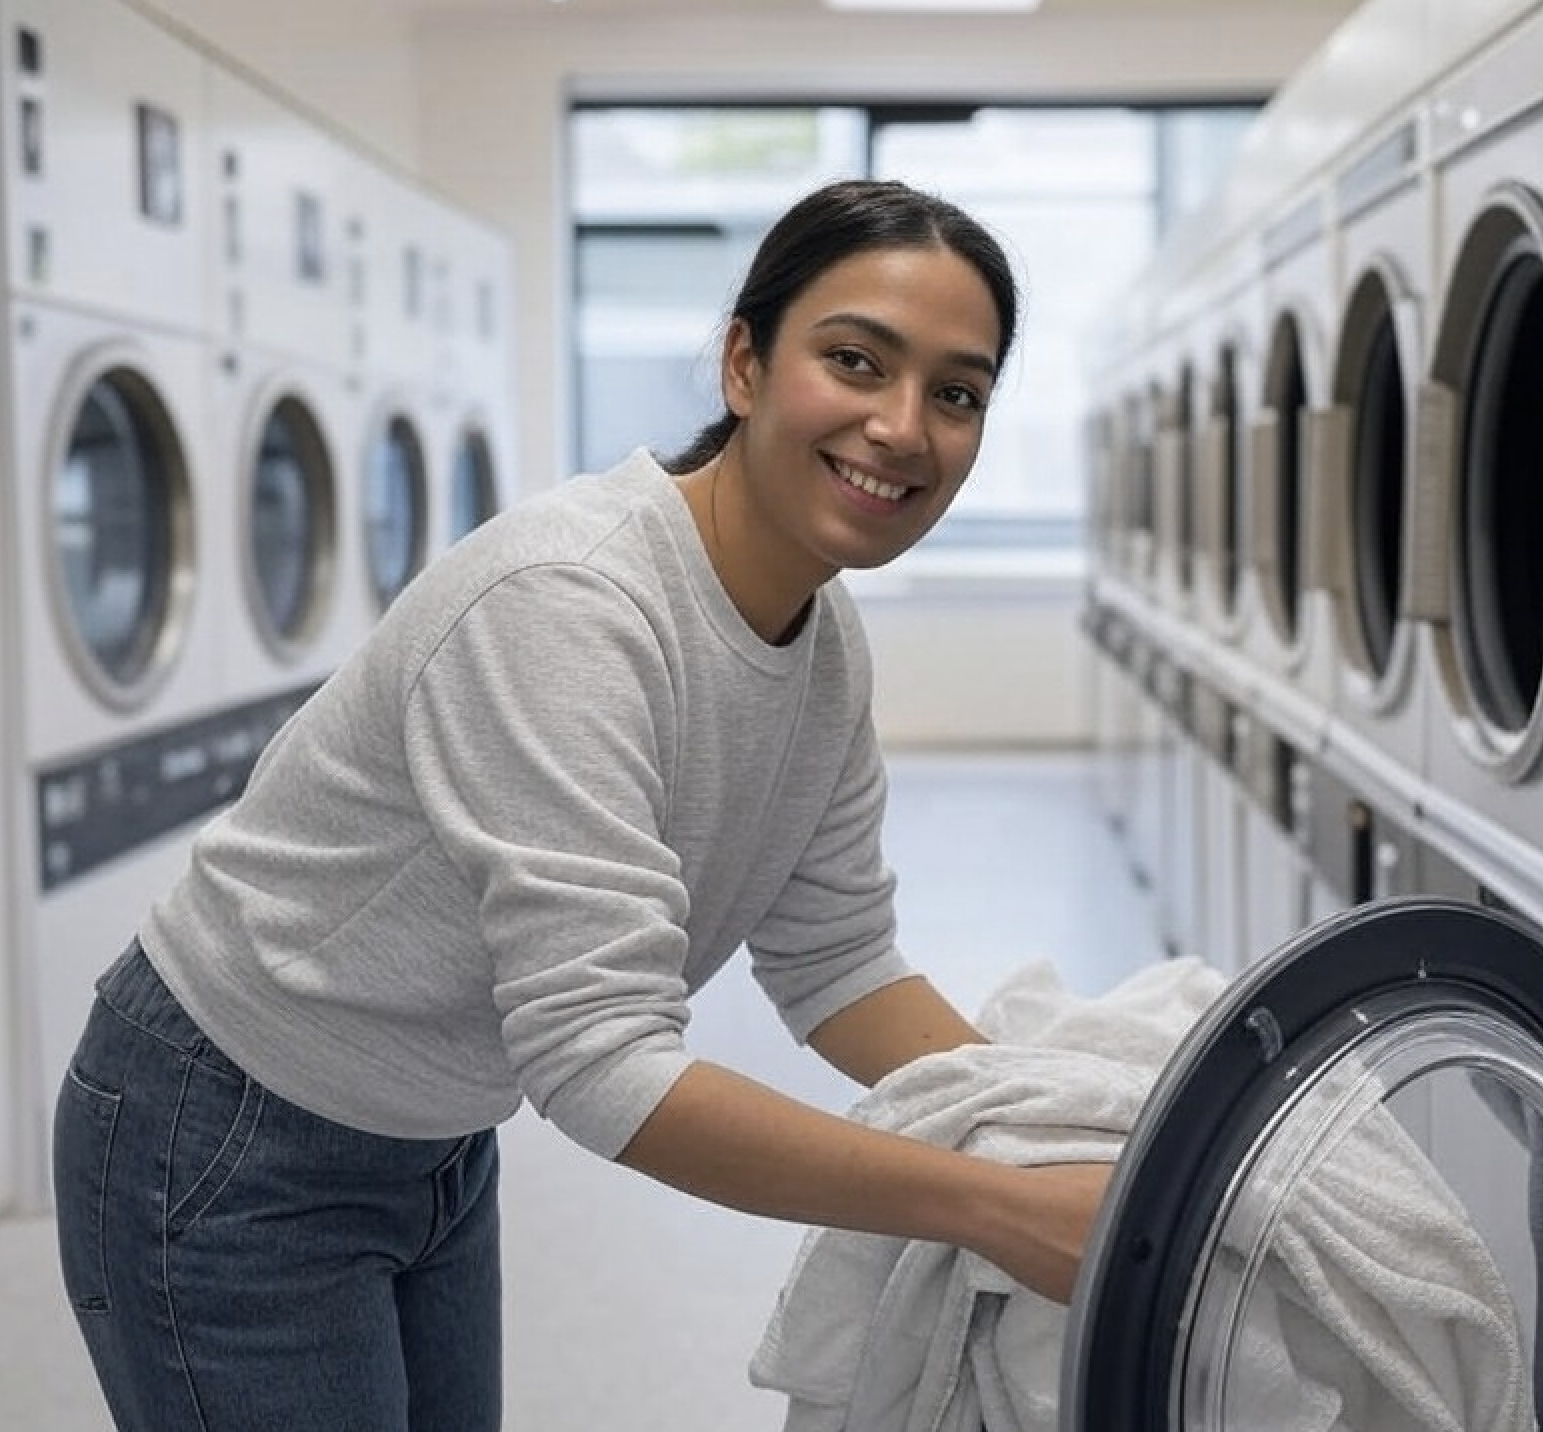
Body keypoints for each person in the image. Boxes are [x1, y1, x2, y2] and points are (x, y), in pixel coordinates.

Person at [51, 176, 1111, 1432]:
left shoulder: (820, 646)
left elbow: (841, 963)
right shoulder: (569, 605)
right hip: (227, 1132)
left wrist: (1049, 1128)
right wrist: (990, 1202)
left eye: (957, 393)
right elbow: (605, 1066)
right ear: (743, 362)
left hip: (433, 1136)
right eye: (855, 359)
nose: (902, 425)